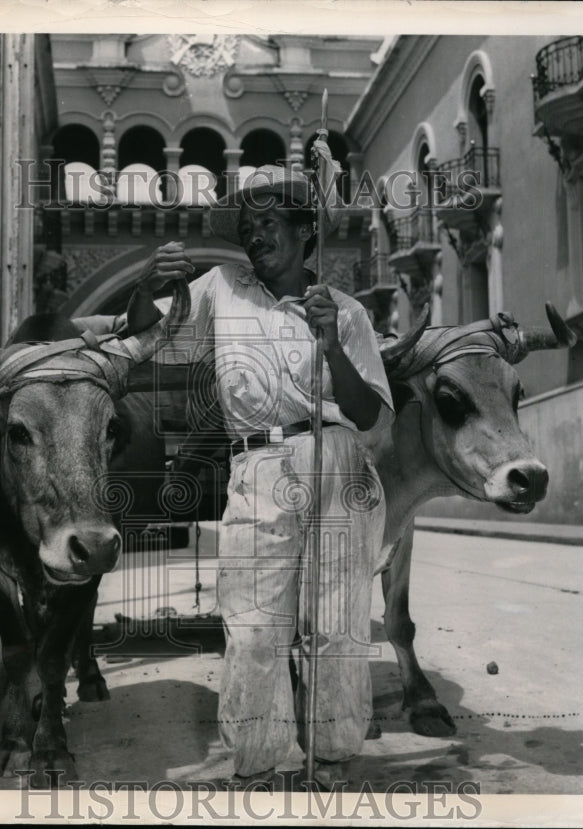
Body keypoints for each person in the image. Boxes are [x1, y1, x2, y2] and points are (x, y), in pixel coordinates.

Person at [129, 144, 393, 790]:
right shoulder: (222, 289)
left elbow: (367, 415)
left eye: (269, 221)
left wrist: (331, 346)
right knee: (251, 626)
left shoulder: (346, 311)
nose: (254, 234)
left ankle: (332, 756)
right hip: (257, 465)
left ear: (306, 231)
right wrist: (147, 285)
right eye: (247, 226)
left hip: (337, 463)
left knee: (336, 624)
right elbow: (147, 335)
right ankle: (257, 763)